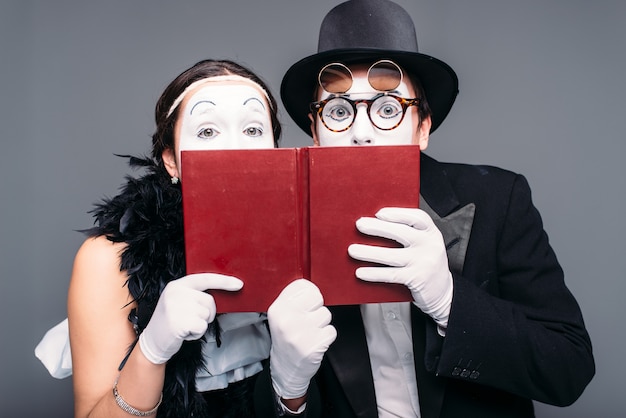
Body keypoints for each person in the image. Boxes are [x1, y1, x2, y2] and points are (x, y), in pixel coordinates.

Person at [257, 1, 596, 417]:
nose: (362, 133)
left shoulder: (500, 199)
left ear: (422, 129)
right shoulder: (279, 231)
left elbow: (568, 369)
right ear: (314, 133)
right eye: (339, 111)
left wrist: (448, 300)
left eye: (387, 109)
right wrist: (288, 392)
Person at [39, 59, 294, 418]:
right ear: (171, 161)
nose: (235, 147)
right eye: (207, 131)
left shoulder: (301, 246)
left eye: (253, 130)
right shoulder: (106, 259)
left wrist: (295, 388)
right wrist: (152, 350)